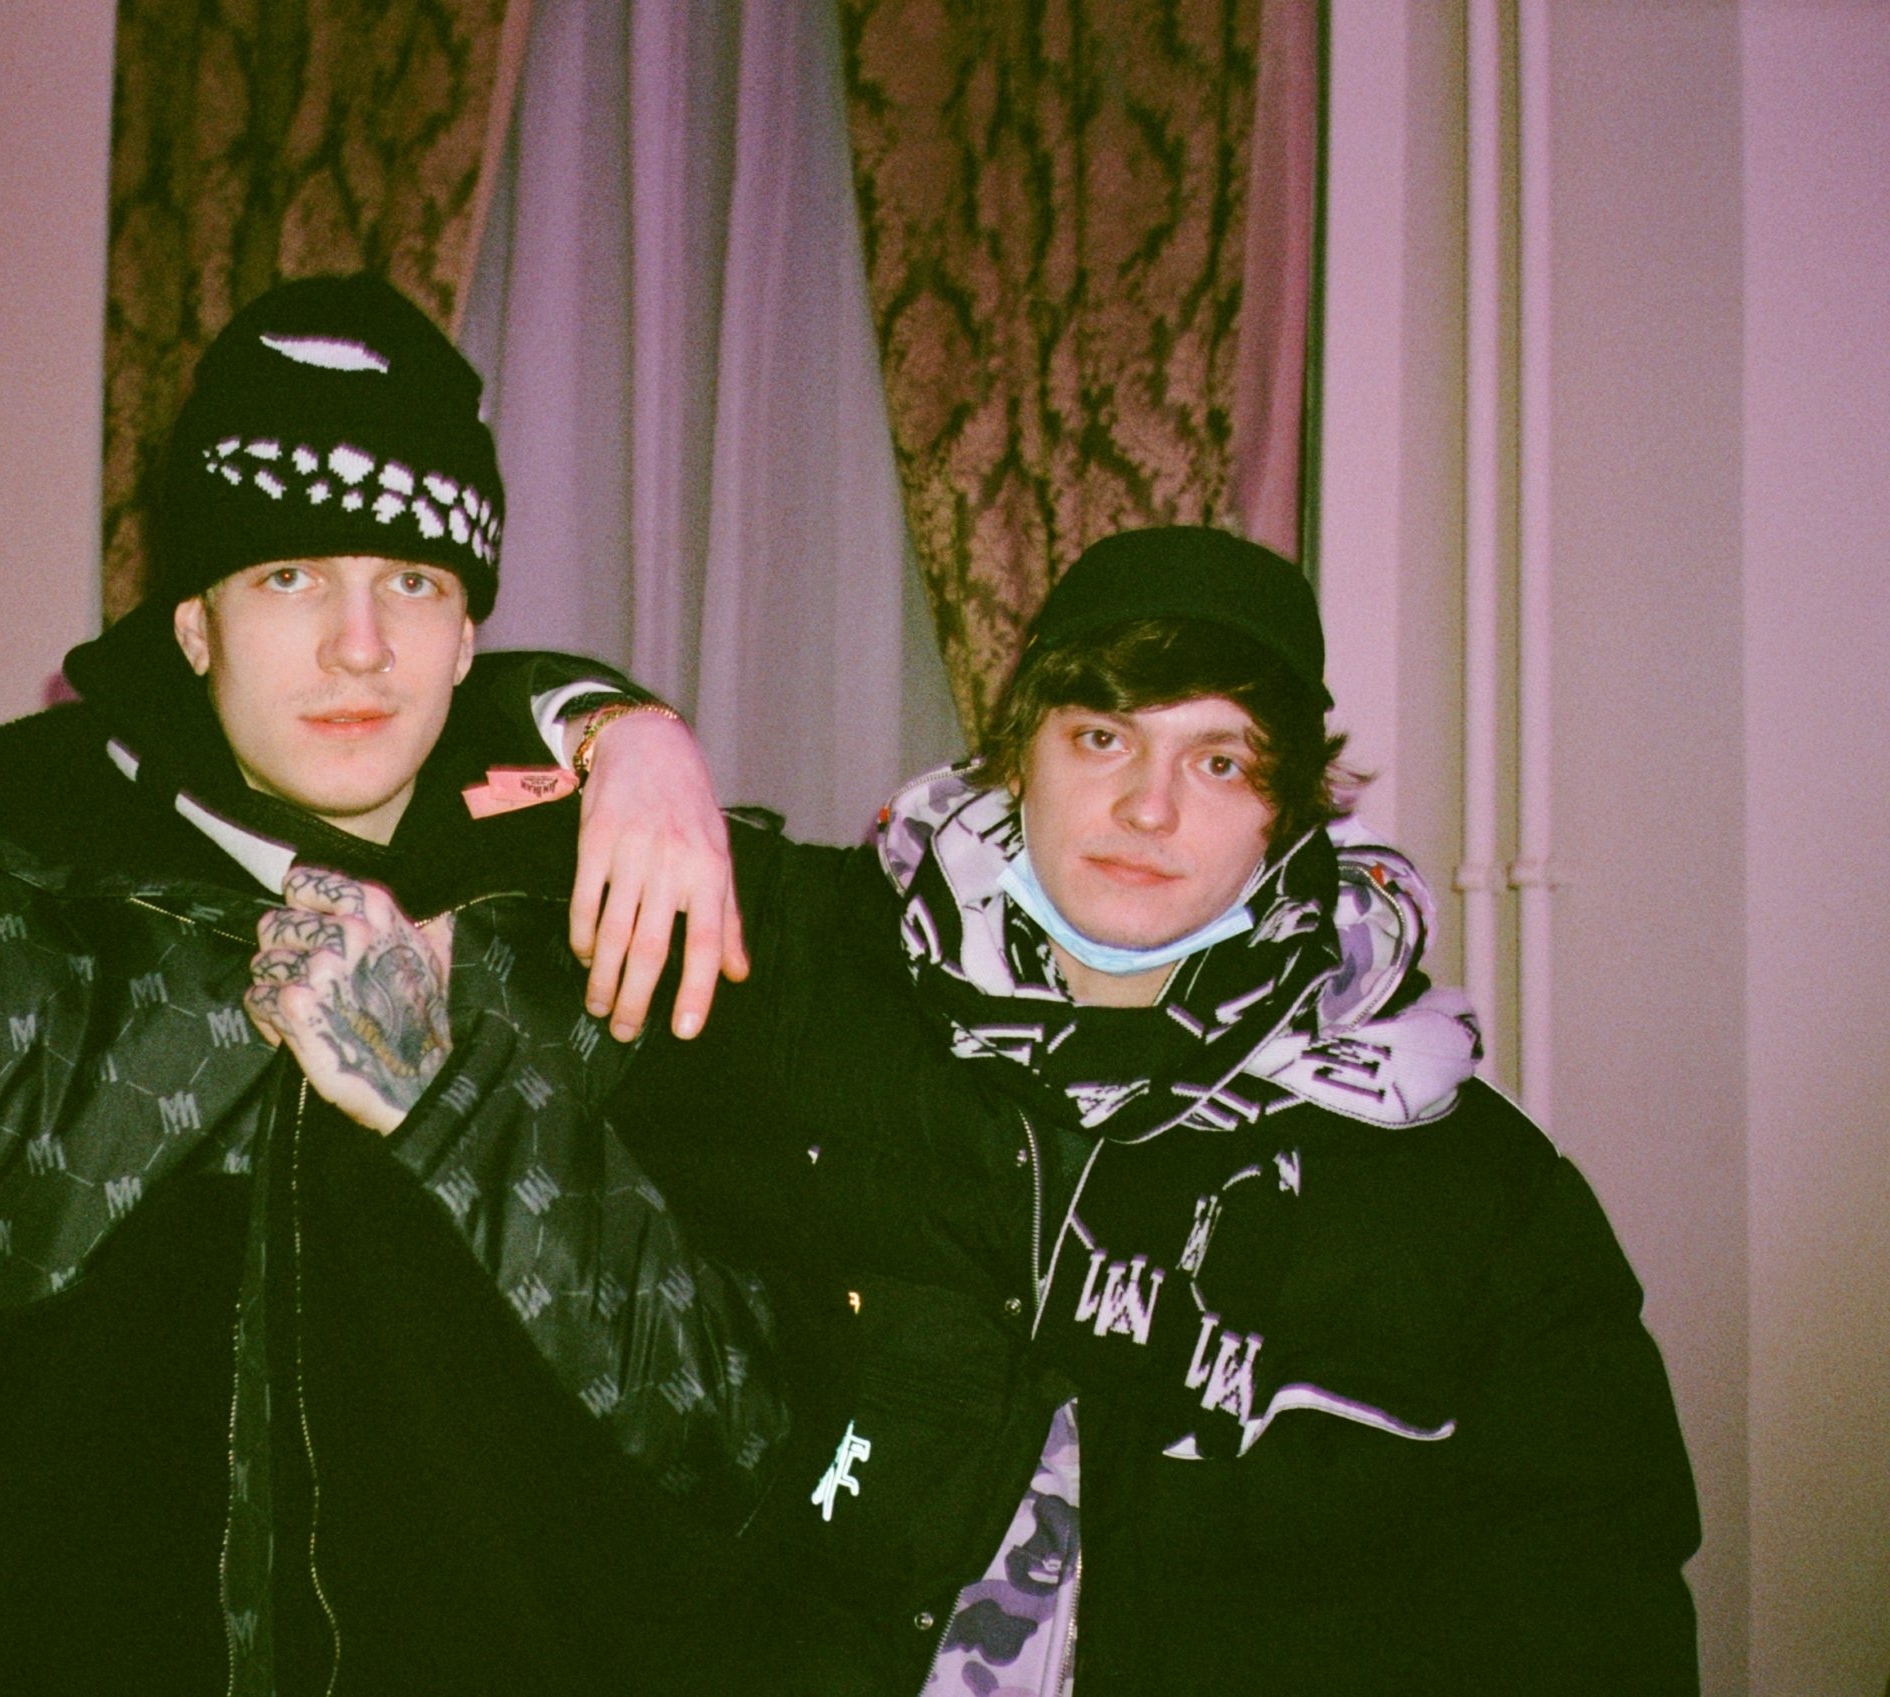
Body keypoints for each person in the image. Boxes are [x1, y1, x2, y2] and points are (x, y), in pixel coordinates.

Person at [0, 274, 819, 1697]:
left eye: (413, 581)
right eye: (288, 576)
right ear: (193, 627)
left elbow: (744, 1449)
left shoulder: (619, 951)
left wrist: (460, 1103)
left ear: (471, 637)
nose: (360, 644)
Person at [612, 525, 1701, 1692]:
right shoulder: (812, 982)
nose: (1148, 806)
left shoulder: (1466, 1178)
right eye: (1102, 736)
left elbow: (1598, 1595)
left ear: (1288, 809)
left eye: (1219, 761)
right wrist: (617, 734)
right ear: (1017, 755)